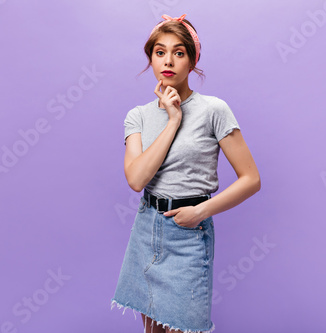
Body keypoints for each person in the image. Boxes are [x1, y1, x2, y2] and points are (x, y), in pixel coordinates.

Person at [110, 14, 261, 333]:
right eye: (160, 52)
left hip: (189, 232)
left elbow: (251, 179)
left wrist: (201, 211)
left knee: (185, 327)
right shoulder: (136, 117)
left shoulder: (214, 110)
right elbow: (137, 179)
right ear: (150, 58)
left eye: (179, 52)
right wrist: (173, 120)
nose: (169, 60)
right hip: (147, 232)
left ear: (193, 60)